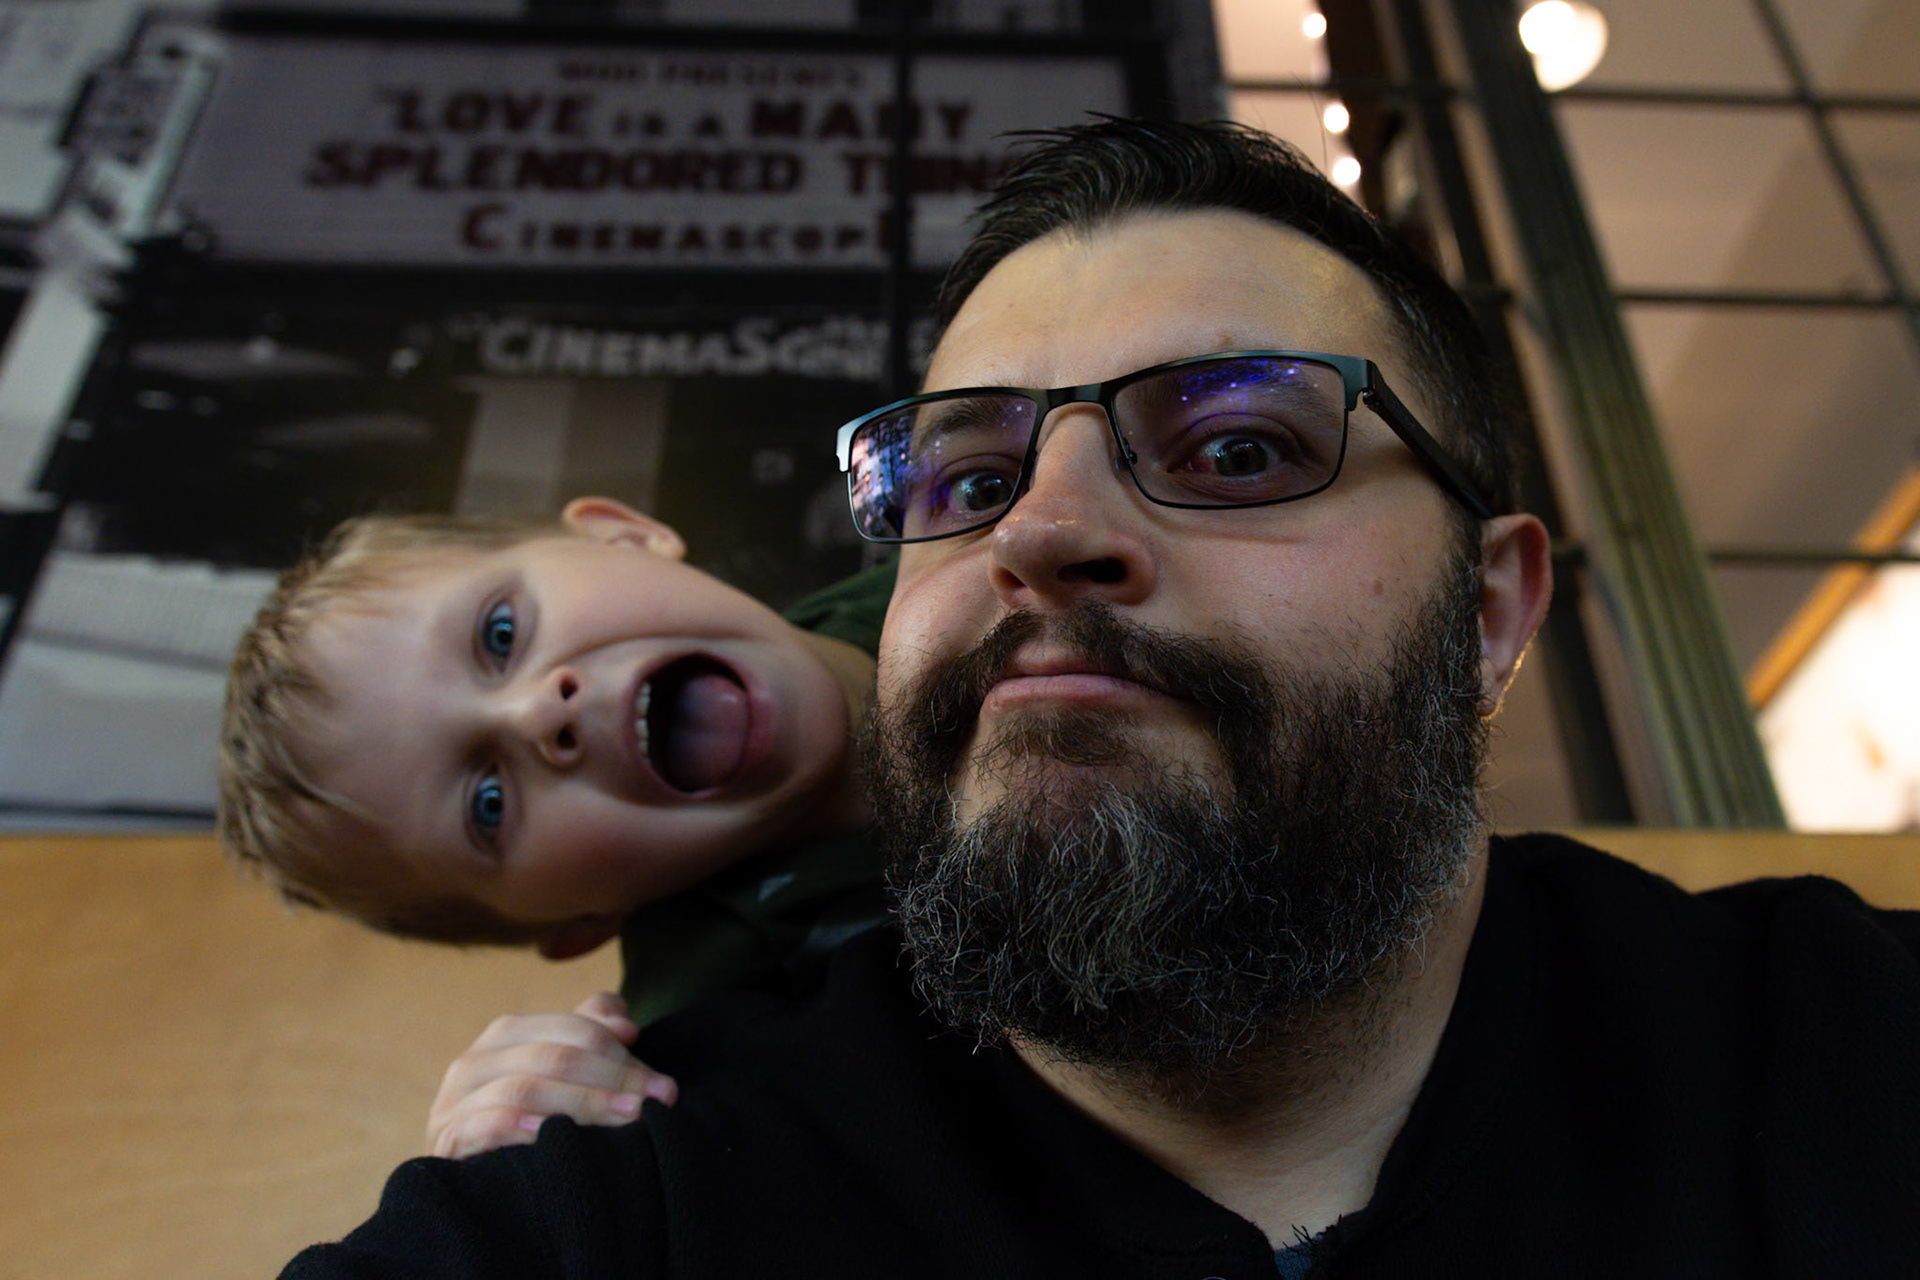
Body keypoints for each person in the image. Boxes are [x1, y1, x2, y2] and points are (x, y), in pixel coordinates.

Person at [282, 118, 1920, 1278]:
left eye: (1238, 448)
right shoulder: (631, 1207)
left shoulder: (1849, 1052)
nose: (1039, 534)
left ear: (1489, 614)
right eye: (968, 479)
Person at [219, 496, 893, 1036]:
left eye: (500, 634)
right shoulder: (724, 1040)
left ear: (622, 535)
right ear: (579, 923)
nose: (535, 715)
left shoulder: (932, 549)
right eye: (488, 804)